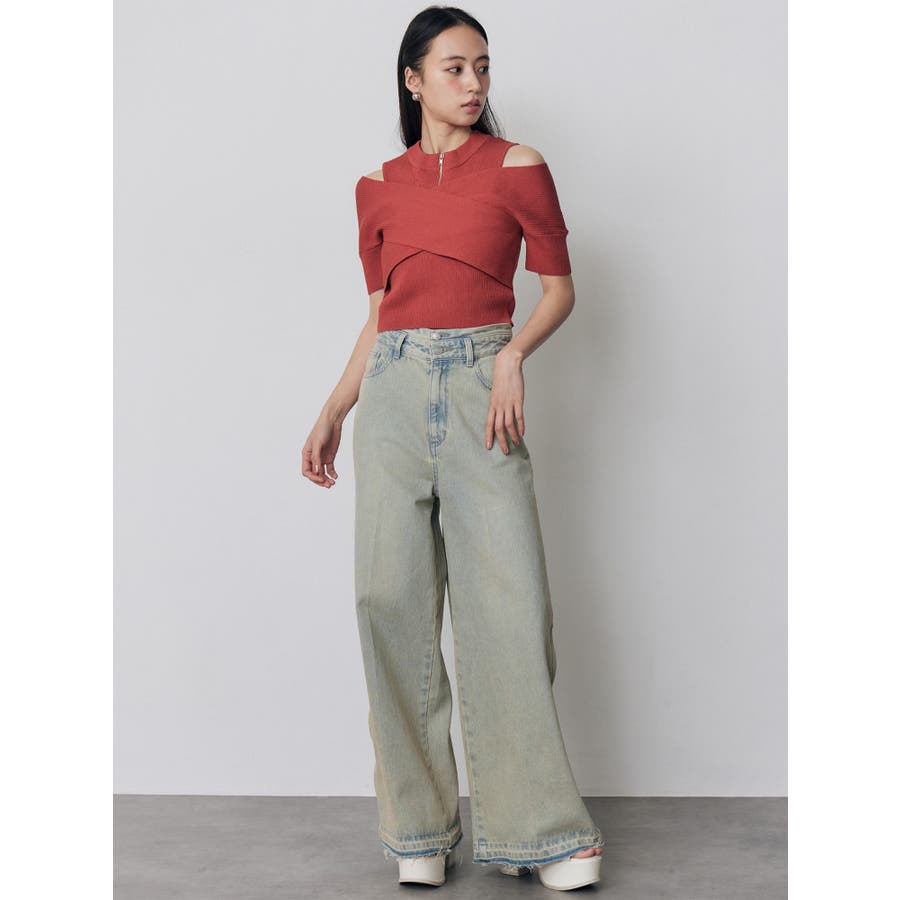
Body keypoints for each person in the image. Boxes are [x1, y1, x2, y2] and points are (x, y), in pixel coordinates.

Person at [301, 6, 605, 892]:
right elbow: (382, 314)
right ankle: (418, 830)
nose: (474, 84)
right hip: (393, 392)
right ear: (413, 80)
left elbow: (559, 290)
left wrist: (512, 355)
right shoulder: (376, 186)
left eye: (482, 67)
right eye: (455, 68)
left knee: (509, 606)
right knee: (385, 601)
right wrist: (336, 404)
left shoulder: (518, 167)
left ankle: (544, 832)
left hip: (482, 386)